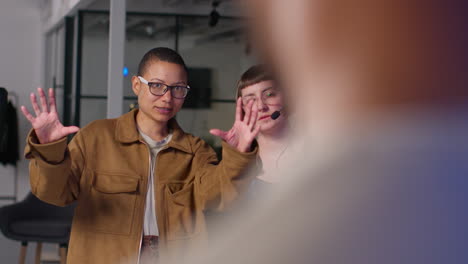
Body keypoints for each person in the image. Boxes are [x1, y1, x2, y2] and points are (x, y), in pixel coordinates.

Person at [176, 1, 468, 264]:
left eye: (269, 94)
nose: (260, 106)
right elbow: (210, 213)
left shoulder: (326, 151)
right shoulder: (237, 165)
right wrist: (233, 158)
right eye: (250, 99)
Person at [21, 47, 260, 264]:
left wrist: (238, 155)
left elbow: (221, 197)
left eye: (178, 89)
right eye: (157, 85)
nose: (167, 98)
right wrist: (49, 149)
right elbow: (53, 193)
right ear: (136, 85)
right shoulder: (96, 137)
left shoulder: (194, 151)